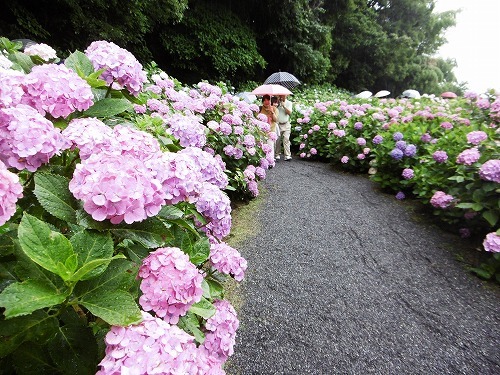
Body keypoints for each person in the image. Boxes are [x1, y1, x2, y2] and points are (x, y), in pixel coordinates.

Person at [259, 94, 278, 159]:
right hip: (261, 131)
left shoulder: (274, 109)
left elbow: (276, 120)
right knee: (262, 146)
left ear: (270, 101)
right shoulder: (260, 109)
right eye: (264, 100)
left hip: (271, 131)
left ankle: (270, 160)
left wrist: (272, 112)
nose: (266, 102)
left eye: (268, 100)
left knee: (270, 146)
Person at [275, 94, 293, 160]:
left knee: (286, 139)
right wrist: (277, 104)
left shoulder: (289, 103)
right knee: (277, 140)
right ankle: (277, 154)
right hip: (278, 124)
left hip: (286, 124)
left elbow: (289, 113)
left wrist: (284, 106)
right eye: (280, 95)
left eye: (283, 95)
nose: (281, 97)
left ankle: (287, 155)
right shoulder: (276, 102)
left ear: (286, 96)